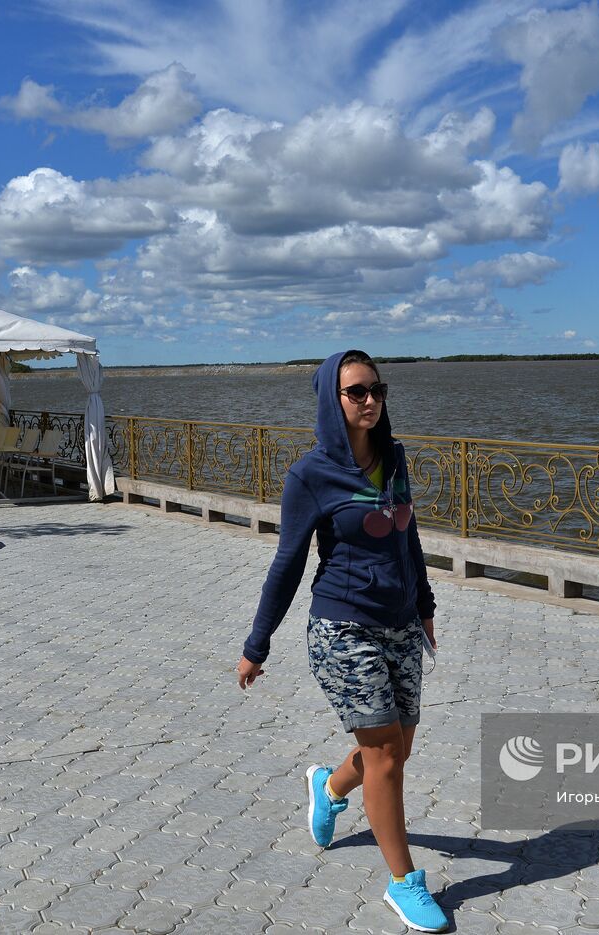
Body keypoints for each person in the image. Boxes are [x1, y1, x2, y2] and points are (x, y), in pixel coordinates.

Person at [237, 349, 447, 933]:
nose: (371, 400)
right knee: (384, 757)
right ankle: (405, 883)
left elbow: (409, 540)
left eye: (377, 389)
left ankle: (328, 789)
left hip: (401, 624)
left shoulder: (395, 458)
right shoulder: (310, 474)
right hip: (342, 627)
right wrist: (258, 643)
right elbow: (287, 563)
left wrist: (425, 607)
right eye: (357, 392)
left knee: (397, 750)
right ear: (332, 398)